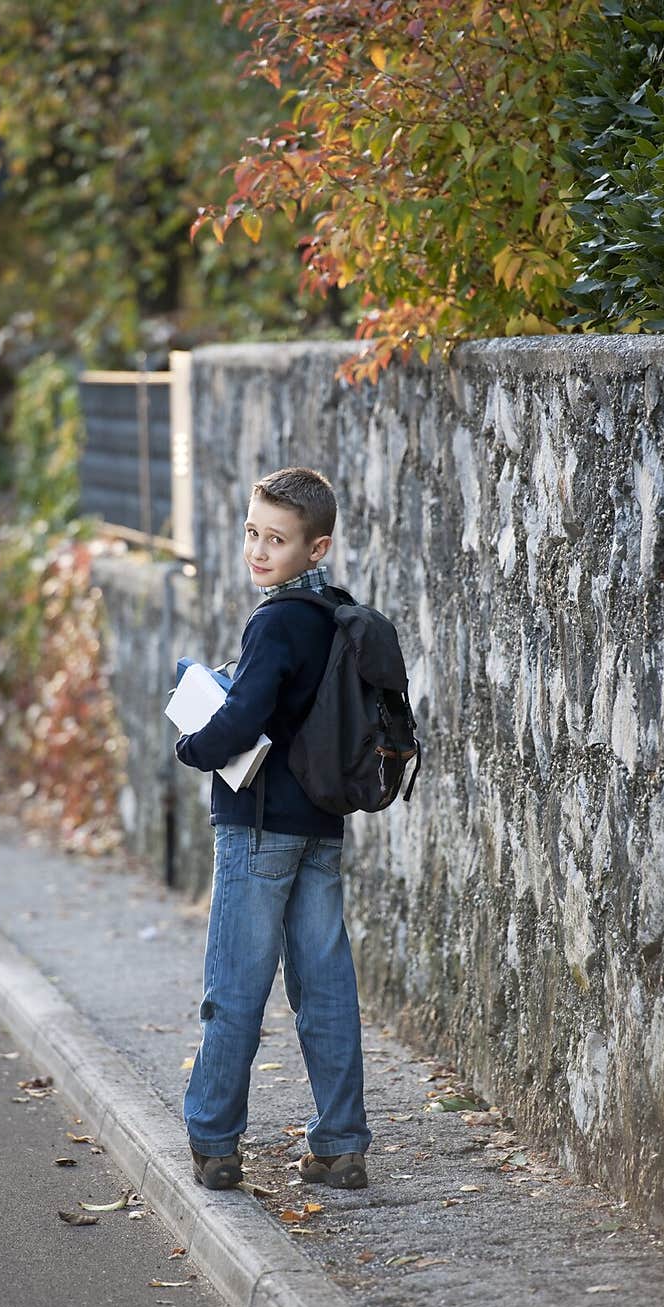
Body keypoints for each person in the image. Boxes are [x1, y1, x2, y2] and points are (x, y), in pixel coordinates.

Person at [173, 466, 371, 1192]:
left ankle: (215, 1142)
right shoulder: (332, 615)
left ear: (315, 549)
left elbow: (245, 717)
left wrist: (192, 745)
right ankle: (341, 1143)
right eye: (253, 533)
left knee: (235, 987)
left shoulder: (276, 619)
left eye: (277, 541)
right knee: (325, 989)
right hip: (321, 826)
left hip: (256, 827)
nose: (258, 551)